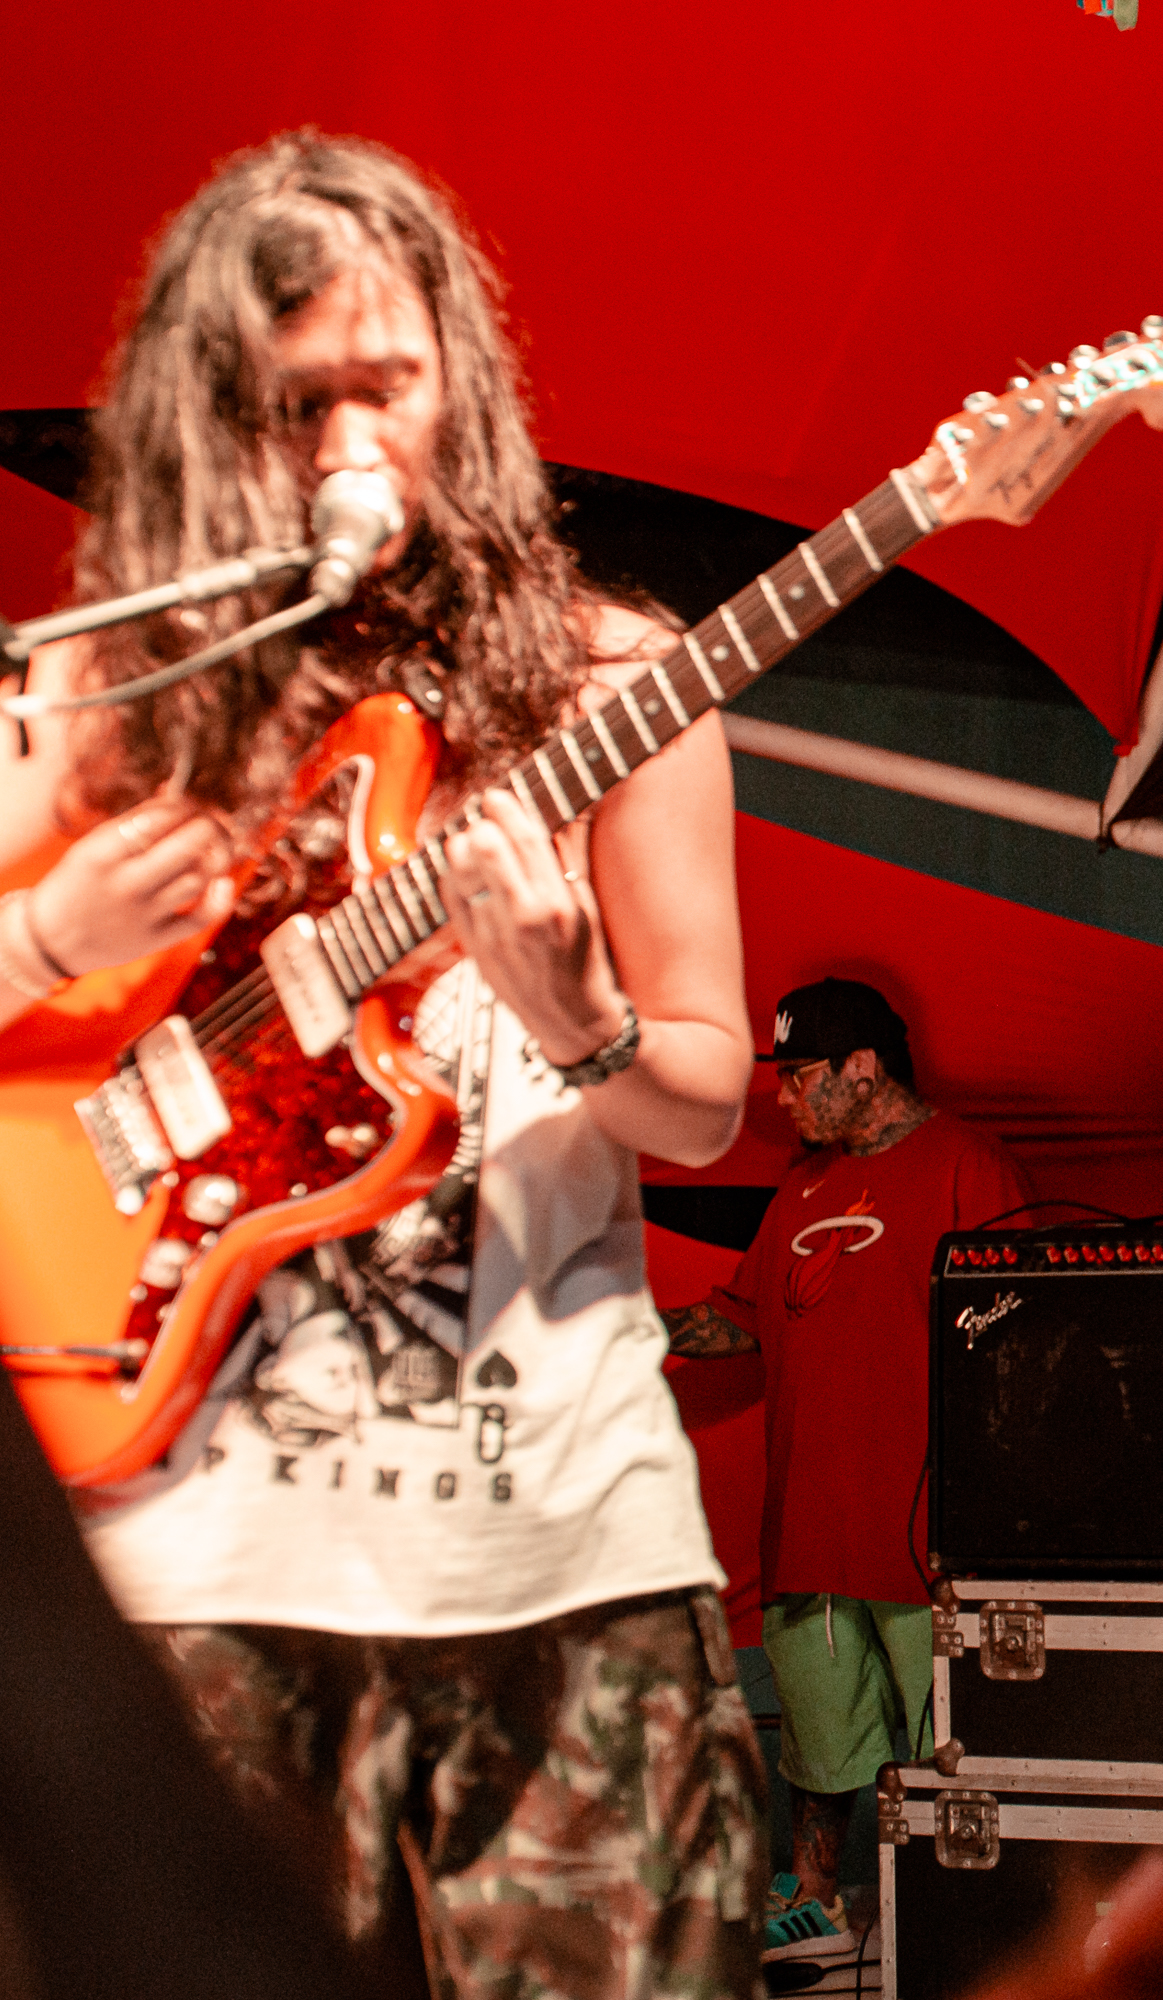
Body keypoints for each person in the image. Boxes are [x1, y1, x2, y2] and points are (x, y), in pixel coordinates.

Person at [0, 134, 763, 1997]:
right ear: (204, 420)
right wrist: (45, 938)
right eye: (294, 405)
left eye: (389, 385)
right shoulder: (91, 701)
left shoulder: (612, 679)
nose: (353, 444)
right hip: (189, 1567)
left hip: (568, 1559)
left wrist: (578, 1020)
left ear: (460, 384)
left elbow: (708, 1100)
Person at [664, 977, 1030, 1956]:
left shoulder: (970, 1165)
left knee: (954, 1744)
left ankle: (971, 1923)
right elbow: (738, 1320)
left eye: (798, 1075)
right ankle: (817, 1899)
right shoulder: (803, 1186)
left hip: (926, 1537)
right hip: (809, 1531)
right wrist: (623, 1325)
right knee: (817, 1742)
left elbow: (1026, 1336)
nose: (783, 1095)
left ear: (862, 1068)